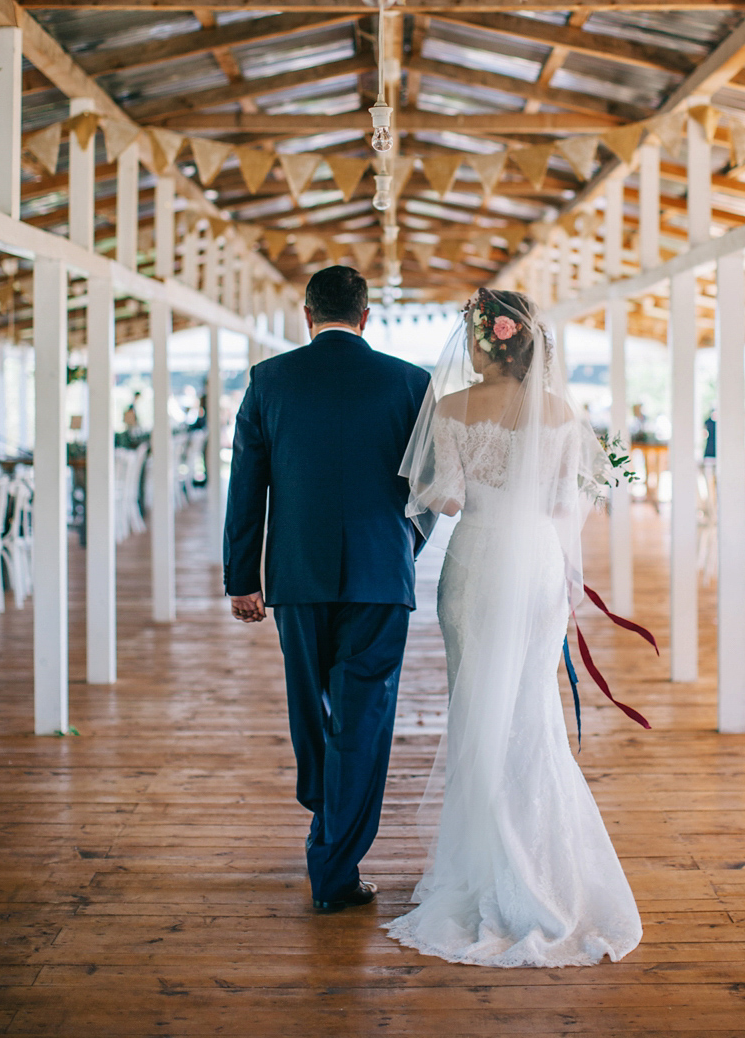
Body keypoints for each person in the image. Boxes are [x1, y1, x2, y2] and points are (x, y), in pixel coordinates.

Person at [387, 288, 643, 967]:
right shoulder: (561, 414)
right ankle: (544, 868)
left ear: (483, 340)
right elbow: (568, 503)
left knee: (476, 709)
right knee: (533, 713)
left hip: (474, 562)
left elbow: (444, 497)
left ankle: (486, 868)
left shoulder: (450, 408)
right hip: (534, 567)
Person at [223, 266, 431, 913]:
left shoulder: (268, 381)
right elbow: (428, 493)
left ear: (306, 315)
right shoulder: (411, 382)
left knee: (311, 715)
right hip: (380, 580)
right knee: (365, 716)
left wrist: (243, 578)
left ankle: (329, 843)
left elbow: (246, 484)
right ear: (366, 317)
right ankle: (336, 851)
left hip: (296, 578)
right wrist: (404, 549)